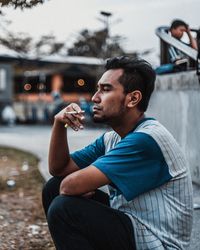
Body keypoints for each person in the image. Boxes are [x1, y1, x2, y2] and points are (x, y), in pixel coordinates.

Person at [42, 56, 193, 250]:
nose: (95, 98)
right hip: (135, 226)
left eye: (105, 89)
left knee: (65, 209)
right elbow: (59, 169)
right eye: (98, 89)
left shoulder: (147, 139)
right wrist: (59, 123)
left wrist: (78, 186)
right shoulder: (112, 138)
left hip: (158, 242)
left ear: (133, 98)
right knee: (53, 187)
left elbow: (70, 186)